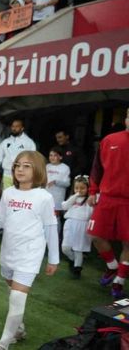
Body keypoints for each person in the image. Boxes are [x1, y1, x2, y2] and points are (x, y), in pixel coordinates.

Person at [0, 151, 59, 350]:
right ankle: (18, 330)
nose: (20, 169)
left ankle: (3, 343)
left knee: (17, 297)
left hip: (30, 256)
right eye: (18, 165)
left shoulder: (44, 197)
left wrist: (54, 259)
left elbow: (51, 228)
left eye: (26, 166)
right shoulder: (9, 192)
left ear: (37, 169)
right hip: (8, 254)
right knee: (12, 294)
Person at [87, 108, 129, 299]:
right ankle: (112, 267)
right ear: (126, 119)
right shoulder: (110, 140)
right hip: (107, 198)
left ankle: (119, 282)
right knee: (94, 235)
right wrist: (93, 191)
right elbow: (96, 168)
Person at [61, 175, 93, 279]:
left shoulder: (89, 201)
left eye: (82, 188)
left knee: (78, 249)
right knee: (65, 248)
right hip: (70, 224)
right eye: (77, 188)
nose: (79, 190)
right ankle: (73, 260)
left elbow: (89, 215)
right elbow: (65, 206)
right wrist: (74, 196)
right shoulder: (73, 198)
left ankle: (77, 268)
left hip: (82, 225)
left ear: (88, 188)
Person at [0, 119, 37, 189]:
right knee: (7, 197)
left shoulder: (29, 142)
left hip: (22, 175)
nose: (14, 128)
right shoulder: (5, 142)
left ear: (22, 128)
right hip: (7, 175)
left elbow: (34, 160)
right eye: (13, 126)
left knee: (20, 197)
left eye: (17, 126)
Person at [46, 147, 71, 213]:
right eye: (50, 155)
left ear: (60, 157)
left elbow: (67, 184)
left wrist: (56, 182)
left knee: (55, 219)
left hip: (57, 199)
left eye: (55, 155)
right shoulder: (47, 166)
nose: (52, 157)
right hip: (45, 197)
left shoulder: (65, 168)